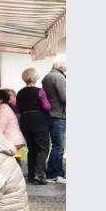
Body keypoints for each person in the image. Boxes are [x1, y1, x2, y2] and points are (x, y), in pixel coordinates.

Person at [16, 68, 51, 185]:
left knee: (32, 149)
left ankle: (31, 175)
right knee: (42, 148)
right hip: (39, 120)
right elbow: (46, 107)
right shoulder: (40, 91)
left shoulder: (20, 93)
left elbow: (19, 109)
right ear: (35, 77)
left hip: (25, 121)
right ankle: (39, 175)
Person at [41, 54, 66, 183]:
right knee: (59, 146)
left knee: (56, 145)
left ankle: (54, 172)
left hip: (50, 115)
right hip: (58, 115)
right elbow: (64, 97)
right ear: (62, 64)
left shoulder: (47, 76)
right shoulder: (59, 77)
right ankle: (55, 174)